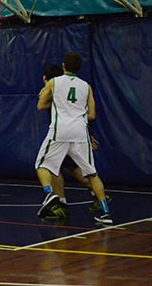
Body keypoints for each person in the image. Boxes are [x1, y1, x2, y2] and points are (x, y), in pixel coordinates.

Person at [35, 51, 112, 224]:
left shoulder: (54, 83)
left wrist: (55, 103)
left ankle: (49, 195)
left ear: (64, 66)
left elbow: (40, 105)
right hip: (79, 131)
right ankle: (105, 212)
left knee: (42, 165)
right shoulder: (86, 86)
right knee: (92, 173)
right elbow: (92, 114)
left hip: (60, 130)